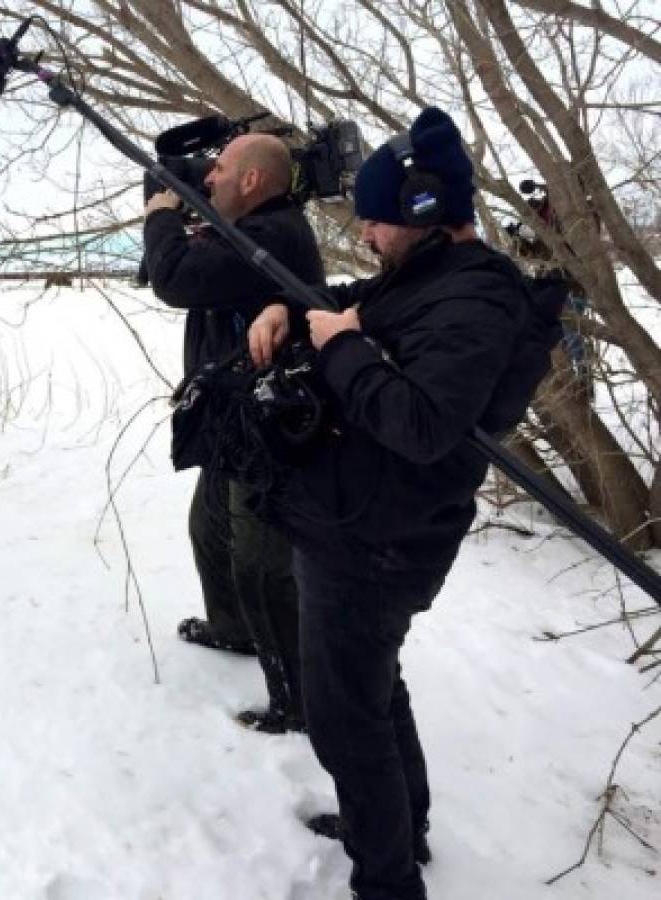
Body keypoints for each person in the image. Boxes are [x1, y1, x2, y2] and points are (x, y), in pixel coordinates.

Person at [246, 107, 529, 899]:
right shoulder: (430, 276)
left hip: (376, 543)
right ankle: (405, 827)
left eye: (375, 222)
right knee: (373, 687)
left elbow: (421, 423)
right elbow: (366, 298)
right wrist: (289, 307)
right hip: (354, 520)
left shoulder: (476, 300)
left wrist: (339, 345)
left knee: (344, 719)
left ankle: (387, 878)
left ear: (426, 214)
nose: (364, 236)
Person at [143, 133, 326, 734]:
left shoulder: (273, 234)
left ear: (251, 181)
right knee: (209, 531)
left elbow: (175, 281)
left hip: (269, 431)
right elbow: (161, 271)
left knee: (260, 564)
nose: (209, 177)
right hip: (232, 417)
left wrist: (161, 212)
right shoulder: (244, 232)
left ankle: (298, 698)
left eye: (219, 168)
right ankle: (234, 630)